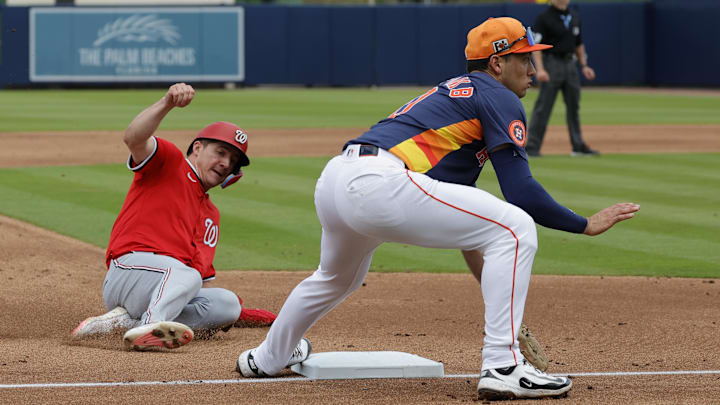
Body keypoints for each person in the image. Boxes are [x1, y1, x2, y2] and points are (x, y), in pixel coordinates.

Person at [235, 17, 639, 401]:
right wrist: (585, 224)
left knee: (336, 278)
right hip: (380, 182)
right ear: (497, 63)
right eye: (524, 57)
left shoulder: (456, 96)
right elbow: (521, 194)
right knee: (516, 226)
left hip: (338, 178)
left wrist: (500, 304)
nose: (533, 68)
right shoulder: (498, 96)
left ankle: (268, 358)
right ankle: (502, 367)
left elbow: (462, 215)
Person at [72, 83, 277, 351]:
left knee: (227, 303)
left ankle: (122, 323)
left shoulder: (211, 216)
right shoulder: (169, 162)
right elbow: (133, 138)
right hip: (128, 272)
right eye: (221, 152)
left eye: (233, 160)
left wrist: (237, 314)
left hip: (166, 285)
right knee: (188, 276)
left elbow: (201, 283)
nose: (227, 163)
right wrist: (167, 103)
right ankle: (151, 324)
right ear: (198, 148)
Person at [525, 0, 598, 157]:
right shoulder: (544, 17)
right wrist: (540, 69)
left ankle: (578, 146)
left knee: (574, 106)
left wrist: (584, 65)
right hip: (552, 63)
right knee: (543, 107)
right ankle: (531, 147)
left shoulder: (574, 16)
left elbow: (578, 44)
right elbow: (536, 46)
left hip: (570, 64)